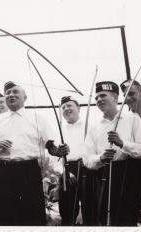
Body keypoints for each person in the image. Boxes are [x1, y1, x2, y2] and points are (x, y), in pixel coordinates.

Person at [0, 81, 67, 225]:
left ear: (25, 97)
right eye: (8, 93)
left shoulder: (38, 118)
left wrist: (59, 151)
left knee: (32, 214)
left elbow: (50, 145)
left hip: (29, 171)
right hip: (3, 171)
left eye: (15, 92)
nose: (11, 95)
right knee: (2, 213)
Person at [83, 81, 141, 226]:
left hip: (127, 176)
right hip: (102, 176)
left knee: (126, 219)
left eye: (103, 96)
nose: (99, 100)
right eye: (97, 98)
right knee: (104, 219)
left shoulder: (132, 119)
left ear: (115, 98)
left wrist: (122, 143)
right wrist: (101, 157)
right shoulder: (94, 127)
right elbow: (87, 158)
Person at [56, 96, 96, 225]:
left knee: (89, 209)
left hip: (87, 169)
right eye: (63, 107)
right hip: (67, 172)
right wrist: (63, 172)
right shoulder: (58, 131)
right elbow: (53, 159)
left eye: (69, 105)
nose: (66, 108)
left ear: (78, 108)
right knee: (67, 211)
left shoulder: (91, 127)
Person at [120, 79, 141, 225]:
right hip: (132, 168)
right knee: (130, 210)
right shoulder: (123, 120)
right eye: (125, 95)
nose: (128, 98)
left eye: (132, 93)